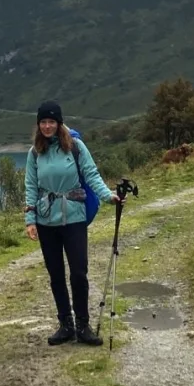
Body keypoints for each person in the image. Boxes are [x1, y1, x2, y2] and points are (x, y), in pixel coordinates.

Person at [24, 100, 121, 346]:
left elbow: (91, 174)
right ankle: (65, 325)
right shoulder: (35, 152)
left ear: (59, 123)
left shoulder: (75, 147)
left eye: (51, 121)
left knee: (78, 273)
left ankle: (83, 325)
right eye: (43, 122)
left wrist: (108, 196)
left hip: (74, 218)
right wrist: (30, 220)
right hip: (46, 220)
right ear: (38, 124)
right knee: (56, 274)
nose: (47, 126)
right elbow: (31, 187)